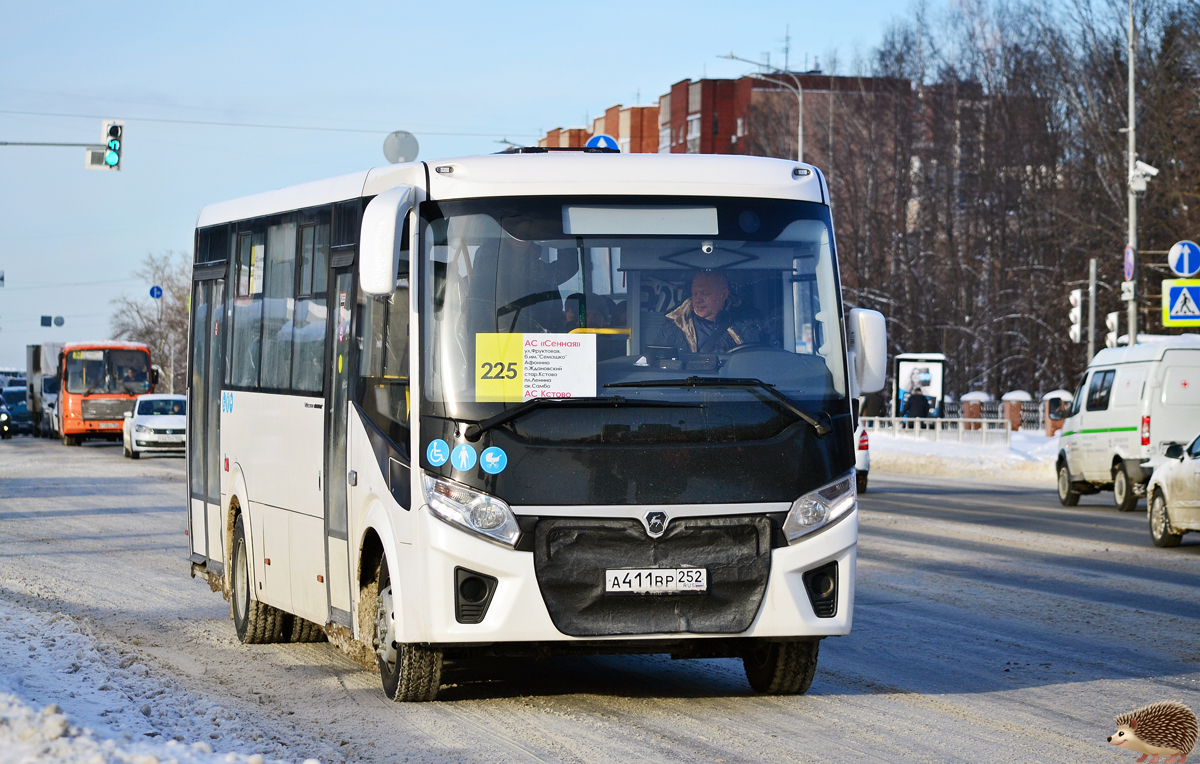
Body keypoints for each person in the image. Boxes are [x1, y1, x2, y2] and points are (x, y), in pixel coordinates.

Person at [654, 271, 764, 354]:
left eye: (705, 294)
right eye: (695, 294)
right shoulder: (673, 325)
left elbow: (766, 361)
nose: (698, 300)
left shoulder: (751, 323)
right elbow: (657, 363)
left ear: (724, 294)